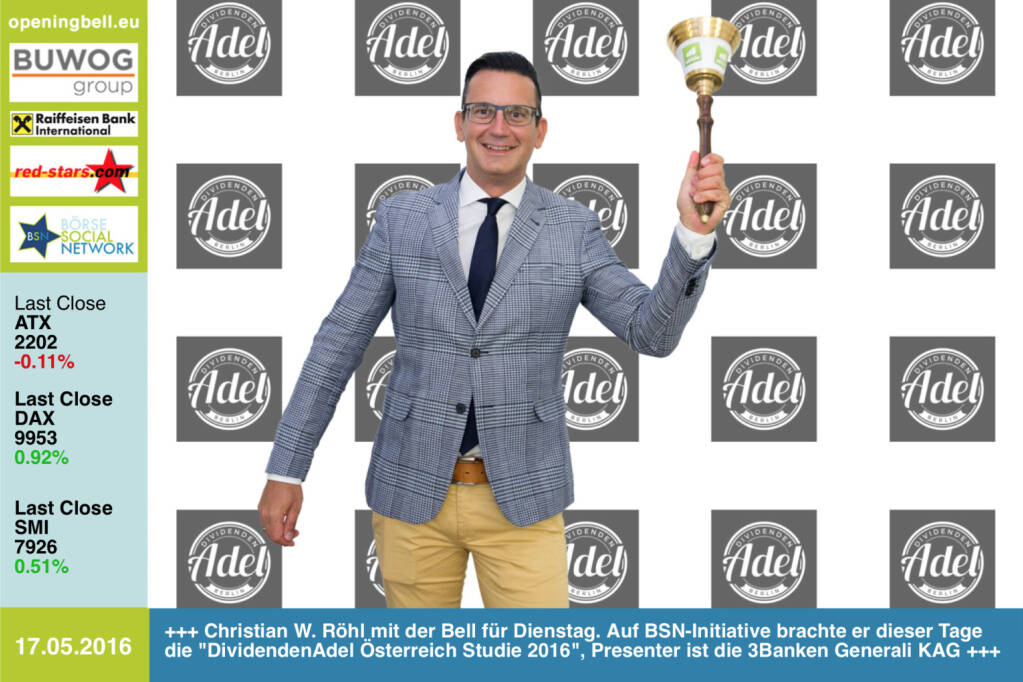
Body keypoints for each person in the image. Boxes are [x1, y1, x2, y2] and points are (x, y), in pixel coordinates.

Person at [259, 51, 730, 608]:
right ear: (460, 123)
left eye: (517, 114)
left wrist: (692, 235)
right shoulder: (402, 219)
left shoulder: (574, 229)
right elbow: (338, 343)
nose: (499, 128)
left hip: (525, 498)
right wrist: (287, 467)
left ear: (540, 131)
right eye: (483, 111)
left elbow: (652, 333)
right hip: (410, 492)